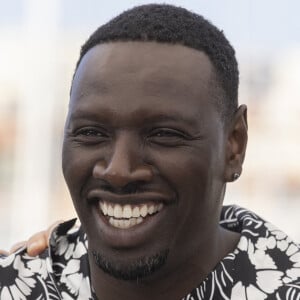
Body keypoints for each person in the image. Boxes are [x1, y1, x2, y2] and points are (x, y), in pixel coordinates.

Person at [1, 4, 299, 300]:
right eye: (91, 133)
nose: (118, 171)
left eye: (164, 135)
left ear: (234, 145)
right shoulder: (20, 286)